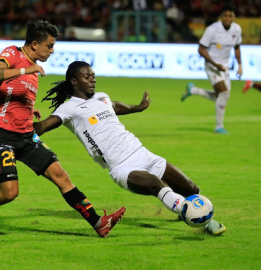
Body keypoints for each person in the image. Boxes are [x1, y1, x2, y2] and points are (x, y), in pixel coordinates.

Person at [0, 20, 125, 238]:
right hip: (1, 137)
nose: (52, 51)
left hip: (27, 136)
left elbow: (0, 94)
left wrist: (27, 109)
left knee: (61, 176)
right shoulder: (14, 55)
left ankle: (99, 223)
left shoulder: (33, 72)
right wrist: (26, 68)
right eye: (49, 46)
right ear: (34, 44)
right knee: (9, 193)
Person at [34, 61, 226, 236]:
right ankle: (202, 220)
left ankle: (185, 210)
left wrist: (137, 107)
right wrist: (16, 122)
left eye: (93, 76)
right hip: (122, 167)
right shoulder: (69, 109)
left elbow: (114, 106)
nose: (92, 80)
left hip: (142, 153)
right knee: (157, 186)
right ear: (74, 81)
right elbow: (42, 126)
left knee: (192, 188)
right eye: (87, 77)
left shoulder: (102, 97)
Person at [180, 4, 242, 135]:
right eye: (225, 15)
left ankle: (193, 90)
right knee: (224, 94)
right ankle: (219, 126)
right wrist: (215, 64)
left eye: (230, 15)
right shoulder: (212, 30)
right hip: (212, 66)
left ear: (234, 17)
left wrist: (240, 65)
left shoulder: (237, 29)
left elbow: (237, 47)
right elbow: (201, 49)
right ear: (221, 17)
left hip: (224, 67)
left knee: (221, 97)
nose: (228, 18)